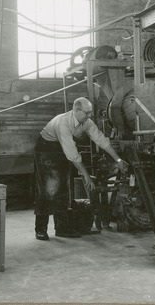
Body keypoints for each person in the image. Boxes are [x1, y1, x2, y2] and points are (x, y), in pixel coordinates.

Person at [33, 97, 128, 240]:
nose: (90, 116)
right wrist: (86, 176)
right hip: (46, 149)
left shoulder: (86, 122)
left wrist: (118, 159)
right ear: (76, 110)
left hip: (61, 149)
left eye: (90, 113)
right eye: (87, 113)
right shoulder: (63, 123)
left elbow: (101, 139)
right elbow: (72, 155)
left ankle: (62, 228)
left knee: (64, 187)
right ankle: (40, 229)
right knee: (48, 188)